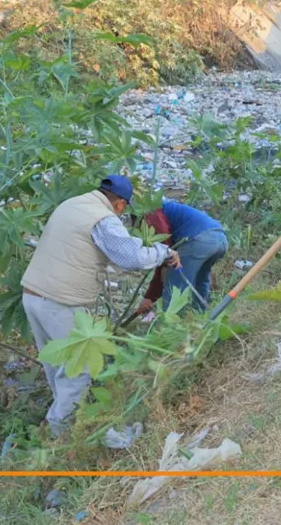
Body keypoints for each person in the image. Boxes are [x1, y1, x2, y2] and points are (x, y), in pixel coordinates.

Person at [21, 175, 180, 435]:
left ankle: (63, 427)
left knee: (58, 368)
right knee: (77, 372)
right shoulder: (102, 218)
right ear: (119, 205)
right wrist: (163, 252)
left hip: (33, 295)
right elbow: (130, 257)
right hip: (61, 303)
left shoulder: (73, 204)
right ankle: (63, 436)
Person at [138, 199, 229, 314]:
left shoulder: (150, 212)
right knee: (200, 281)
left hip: (199, 239)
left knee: (176, 287)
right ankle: (200, 318)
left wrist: (150, 297)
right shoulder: (166, 207)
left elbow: (165, 250)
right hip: (220, 239)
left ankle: (170, 324)